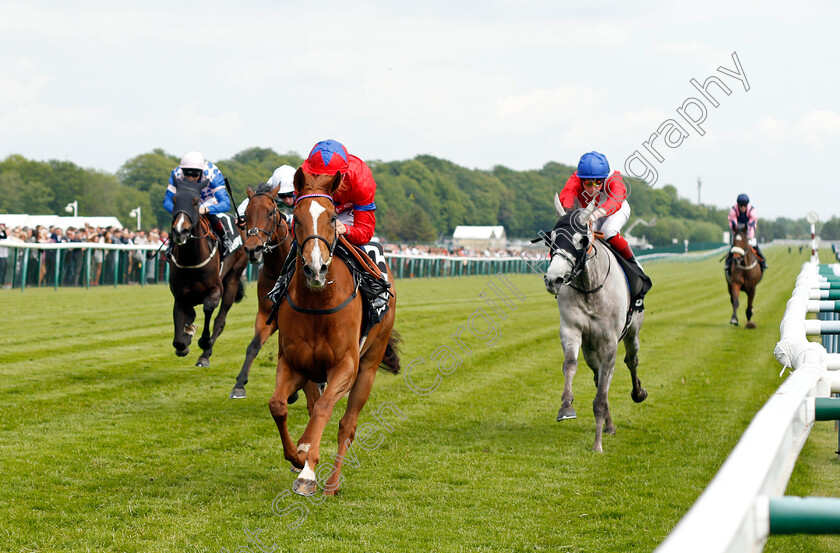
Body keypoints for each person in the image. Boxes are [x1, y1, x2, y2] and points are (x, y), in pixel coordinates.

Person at [163, 151, 240, 257]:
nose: (190, 178)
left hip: (208, 201)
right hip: (187, 203)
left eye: (195, 174)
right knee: (180, 217)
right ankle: (171, 244)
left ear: (201, 171)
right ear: (182, 171)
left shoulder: (213, 174)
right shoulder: (176, 174)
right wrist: (180, 210)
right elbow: (167, 201)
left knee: (210, 215)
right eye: (187, 174)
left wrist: (204, 210)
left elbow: (226, 203)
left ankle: (224, 238)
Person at [726, 193, 766, 272]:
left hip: (749, 227)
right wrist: (737, 235)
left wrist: (749, 237)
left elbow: (752, 226)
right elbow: (733, 224)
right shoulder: (733, 210)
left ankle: (762, 261)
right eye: (741, 206)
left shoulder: (752, 211)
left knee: (754, 244)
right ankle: (728, 262)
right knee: (735, 245)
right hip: (738, 228)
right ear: (738, 205)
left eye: (744, 206)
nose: (742, 208)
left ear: (747, 205)